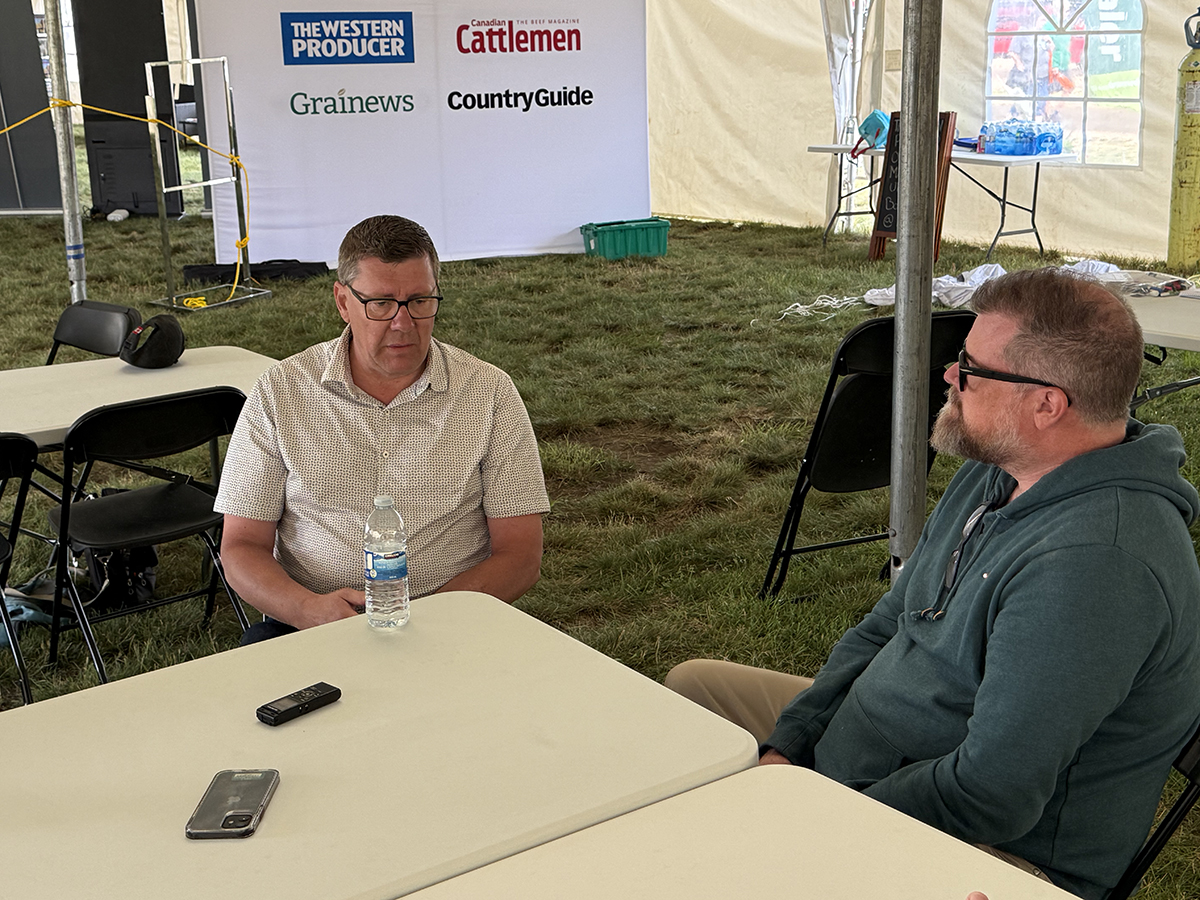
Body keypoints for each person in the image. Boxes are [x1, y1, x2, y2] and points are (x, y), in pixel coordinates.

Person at [666, 269, 1200, 900]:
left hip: (980, 852)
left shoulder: (1096, 568)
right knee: (692, 693)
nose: (949, 376)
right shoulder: (1004, 468)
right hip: (865, 755)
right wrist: (793, 739)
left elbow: (989, 795)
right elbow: (890, 620)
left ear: (1046, 405)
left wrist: (813, 809)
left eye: (970, 369)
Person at [215, 215, 549, 641]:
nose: (403, 323)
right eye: (381, 304)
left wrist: (435, 619)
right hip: (312, 619)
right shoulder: (281, 390)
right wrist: (306, 609)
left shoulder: (488, 392)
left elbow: (521, 554)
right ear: (343, 302)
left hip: (456, 618)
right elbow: (241, 546)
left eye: (420, 301)